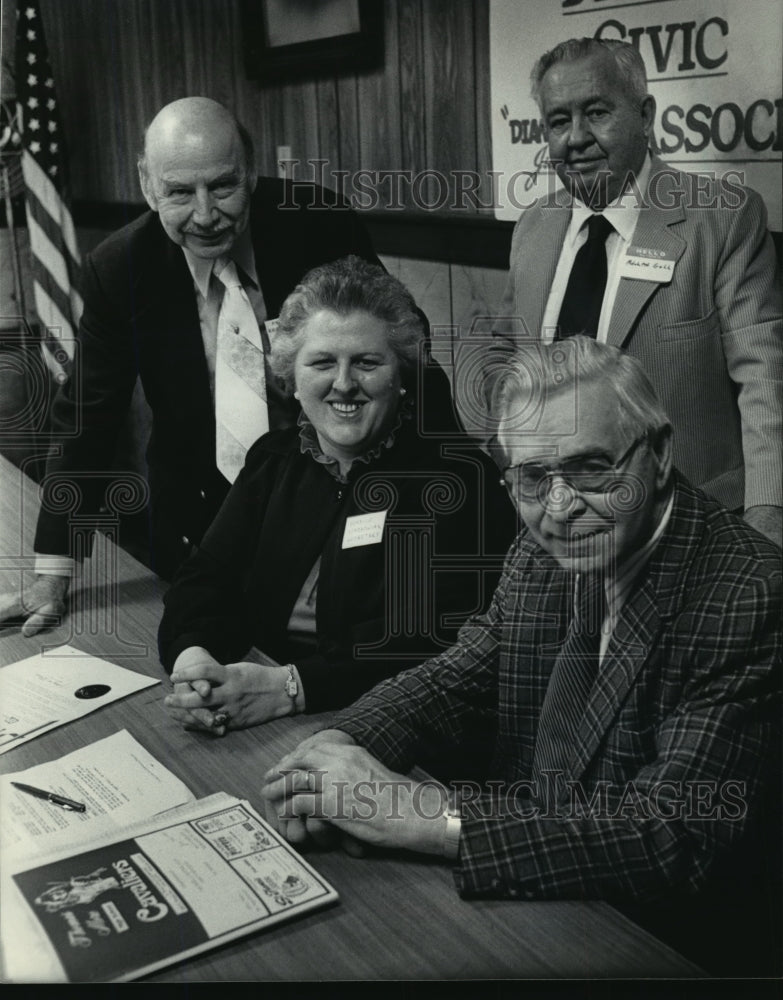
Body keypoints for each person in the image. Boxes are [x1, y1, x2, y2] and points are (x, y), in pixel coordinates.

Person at [263, 337, 781, 975]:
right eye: (533, 478)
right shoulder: (539, 551)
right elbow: (458, 678)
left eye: (591, 468)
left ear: (662, 453)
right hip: (524, 906)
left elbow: (670, 838)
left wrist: (426, 817)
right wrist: (331, 756)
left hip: (659, 945)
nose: (559, 508)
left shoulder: (754, 595)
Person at [0, 96, 458, 636]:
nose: (205, 213)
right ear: (148, 186)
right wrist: (54, 573)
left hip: (332, 504)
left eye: (222, 186)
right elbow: (88, 417)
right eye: (178, 192)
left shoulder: (317, 221)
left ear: (252, 171)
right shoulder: (119, 267)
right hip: (199, 522)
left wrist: (448, 482)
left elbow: (406, 347)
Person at [158, 257, 515, 735]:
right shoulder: (273, 459)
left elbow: (427, 646)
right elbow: (202, 580)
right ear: (291, 375)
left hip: (385, 724)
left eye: (367, 363)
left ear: (402, 375)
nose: (344, 384)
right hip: (250, 699)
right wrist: (195, 665)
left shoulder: (457, 482)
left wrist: (287, 688)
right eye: (322, 362)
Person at [460, 37, 782, 547]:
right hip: (558, 522)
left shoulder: (722, 218)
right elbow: (504, 348)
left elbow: (765, 379)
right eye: (558, 122)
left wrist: (768, 515)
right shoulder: (535, 226)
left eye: (597, 112)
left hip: (687, 526)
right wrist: (515, 452)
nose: (576, 138)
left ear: (645, 113)